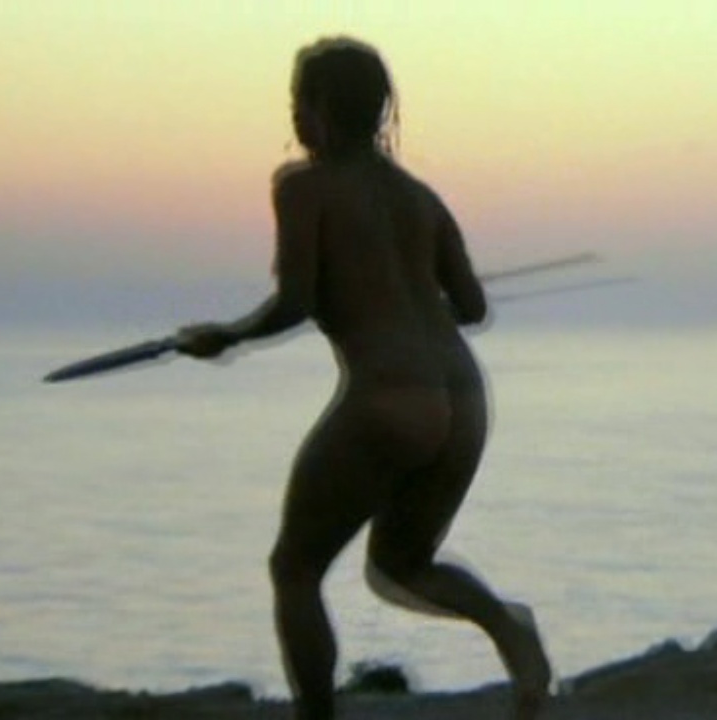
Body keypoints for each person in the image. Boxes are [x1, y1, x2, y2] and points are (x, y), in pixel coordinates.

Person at [174, 36, 552, 720]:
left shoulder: (303, 186)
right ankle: (510, 629)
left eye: (298, 102)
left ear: (321, 107)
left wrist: (223, 336)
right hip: (464, 398)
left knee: (294, 569)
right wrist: (406, 303)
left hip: (388, 400)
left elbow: (293, 302)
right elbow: (471, 307)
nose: (294, 117)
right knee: (402, 566)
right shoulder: (420, 198)